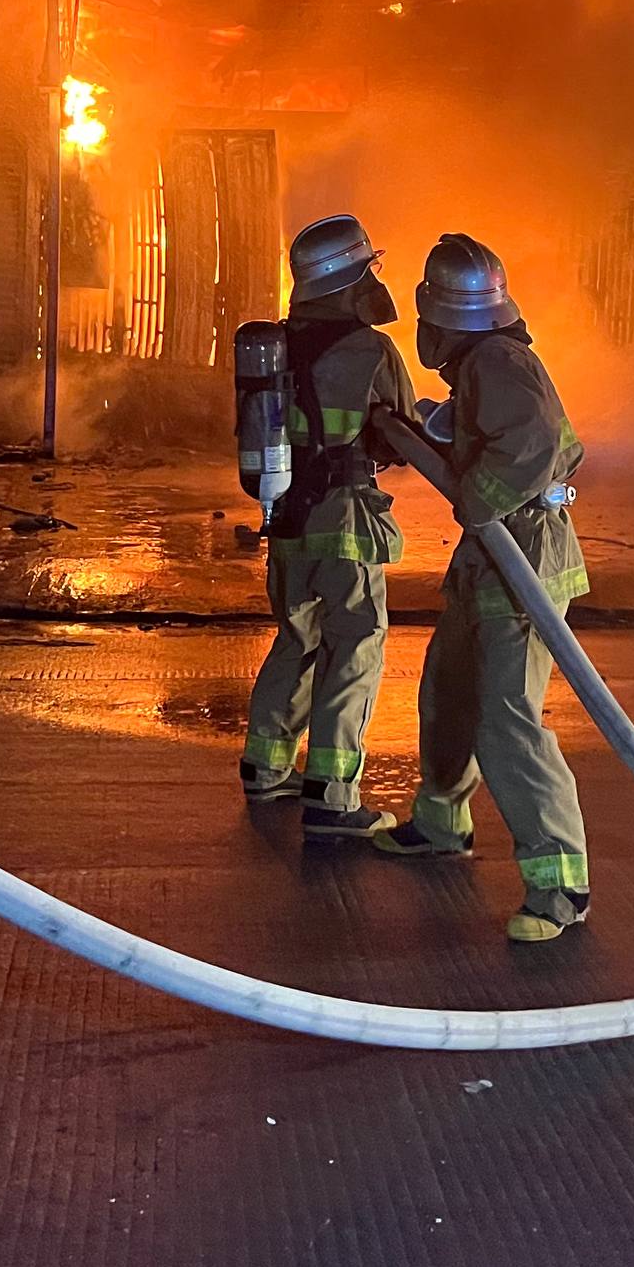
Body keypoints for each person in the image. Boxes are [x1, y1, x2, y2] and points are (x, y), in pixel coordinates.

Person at [373, 234, 593, 942]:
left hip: (524, 560)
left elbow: (530, 445)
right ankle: (441, 823)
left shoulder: (497, 362)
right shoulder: (482, 364)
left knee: (506, 719)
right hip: (490, 558)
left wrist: (476, 498)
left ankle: (560, 885)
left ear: (438, 318)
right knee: (450, 691)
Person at [241, 214, 416, 841]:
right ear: (349, 278)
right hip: (345, 521)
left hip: (286, 516)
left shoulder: (275, 349)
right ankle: (332, 797)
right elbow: (401, 434)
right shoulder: (371, 350)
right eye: (368, 269)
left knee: (296, 639)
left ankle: (266, 767)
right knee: (355, 648)